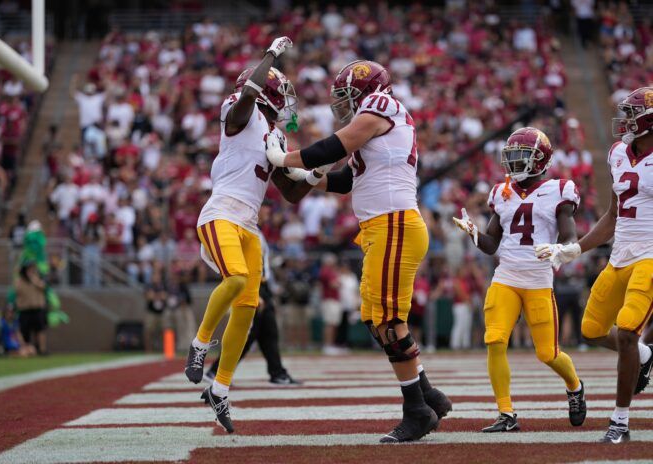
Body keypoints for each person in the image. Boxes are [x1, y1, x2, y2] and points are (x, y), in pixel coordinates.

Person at [266, 60, 451, 443]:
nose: (344, 104)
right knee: (373, 317)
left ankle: (417, 410)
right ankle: (428, 394)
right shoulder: (380, 120)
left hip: (394, 223)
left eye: (348, 95)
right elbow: (346, 178)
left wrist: (285, 158)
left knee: (387, 319)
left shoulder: (383, 105)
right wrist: (306, 178)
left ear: (367, 90)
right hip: (381, 228)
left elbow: (335, 146)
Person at [183, 36, 318, 434]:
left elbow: (290, 193)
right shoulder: (240, 112)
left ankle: (220, 387)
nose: (287, 99)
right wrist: (271, 54)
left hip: (248, 225)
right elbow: (248, 93)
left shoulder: (276, 135)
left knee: (249, 306)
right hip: (221, 211)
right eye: (282, 91)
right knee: (237, 279)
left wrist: (312, 174)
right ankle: (200, 344)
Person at [535, 87, 653, 443]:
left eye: (632, 114)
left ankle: (620, 421)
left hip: (650, 256)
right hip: (620, 256)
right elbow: (613, 216)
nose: (626, 121)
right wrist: (572, 249)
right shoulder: (618, 152)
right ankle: (646, 356)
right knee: (591, 329)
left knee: (629, 332)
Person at [453, 127, 586, 433]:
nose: (514, 163)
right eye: (511, 157)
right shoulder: (501, 192)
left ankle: (575, 386)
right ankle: (506, 412)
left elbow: (569, 236)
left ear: (540, 160)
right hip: (506, 277)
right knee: (495, 340)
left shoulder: (559, 190)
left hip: (539, 280)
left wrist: (559, 248)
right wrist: (474, 233)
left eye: (521, 156)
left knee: (547, 353)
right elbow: (492, 245)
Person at [205, 207, 300, 386]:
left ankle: (277, 372)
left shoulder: (256, 231)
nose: (268, 213)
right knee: (247, 334)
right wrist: (255, 291)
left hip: (262, 286)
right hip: (254, 288)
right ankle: (217, 371)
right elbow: (242, 265)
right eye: (264, 209)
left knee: (268, 333)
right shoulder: (243, 230)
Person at [14, 260, 48, 354]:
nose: (31, 270)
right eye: (29, 268)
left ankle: (42, 349)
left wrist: (34, 279)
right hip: (25, 309)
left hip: (38, 308)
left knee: (40, 329)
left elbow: (44, 287)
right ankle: (26, 350)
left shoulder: (38, 278)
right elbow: (17, 290)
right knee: (25, 331)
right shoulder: (20, 280)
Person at [319, 253, 343, 355]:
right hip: (329, 300)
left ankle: (331, 345)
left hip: (333, 300)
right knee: (330, 323)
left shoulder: (330, 271)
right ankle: (327, 345)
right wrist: (338, 283)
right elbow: (333, 285)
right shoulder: (326, 271)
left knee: (333, 324)